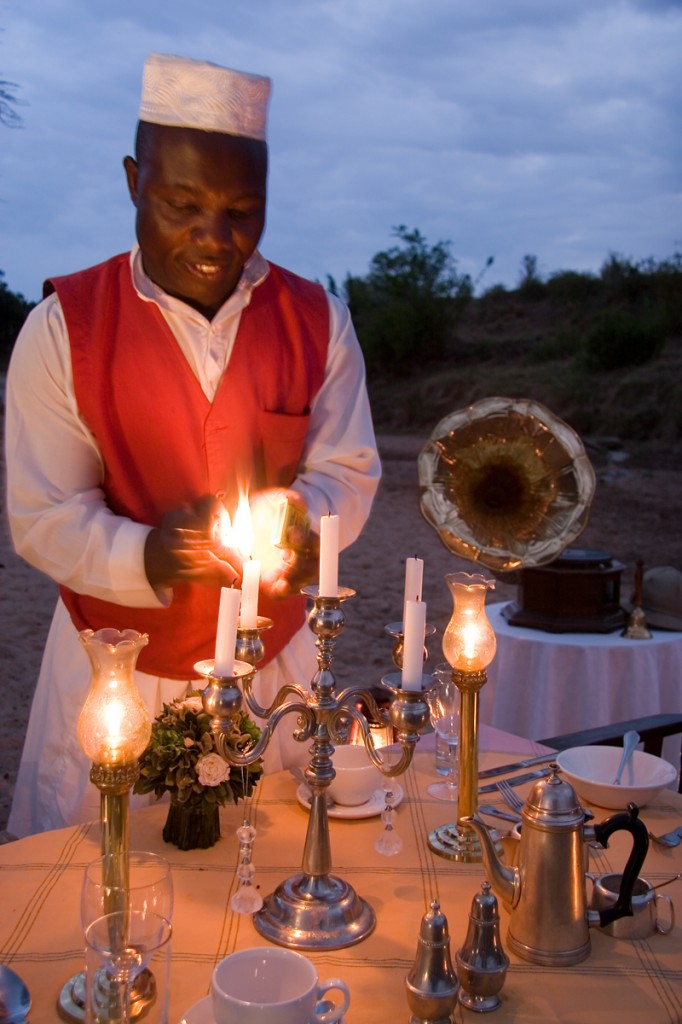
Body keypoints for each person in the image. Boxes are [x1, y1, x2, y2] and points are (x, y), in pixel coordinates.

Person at [5, 53, 381, 838]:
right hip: (116, 674)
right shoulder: (62, 329)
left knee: (271, 861)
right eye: (182, 203)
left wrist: (301, 521)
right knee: (107, 887)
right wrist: (149, 555)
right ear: (133, 179)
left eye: (244, 210)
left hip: (274, 666)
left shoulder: (320, 322)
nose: (215, 238)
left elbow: (346, 471)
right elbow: (43, 513)